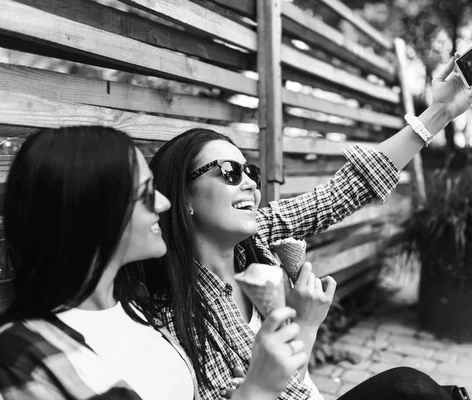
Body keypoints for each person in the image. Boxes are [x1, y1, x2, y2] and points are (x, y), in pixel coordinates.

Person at [142, 55, 472, 400]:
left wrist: (440, 112)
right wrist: (306, 323)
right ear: (183, 199)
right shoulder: (180, 314)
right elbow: (282, 392)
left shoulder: (256, 238)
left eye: (251, 172)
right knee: (411, 389)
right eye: (229, 172)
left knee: (412, 388)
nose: (249, 185)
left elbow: (339, 194)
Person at [0, 126, 308, 400]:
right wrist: (258, 390)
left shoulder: (134, 309)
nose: (163, 203)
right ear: (94, 208)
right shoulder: (21, 357)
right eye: (145, 193)